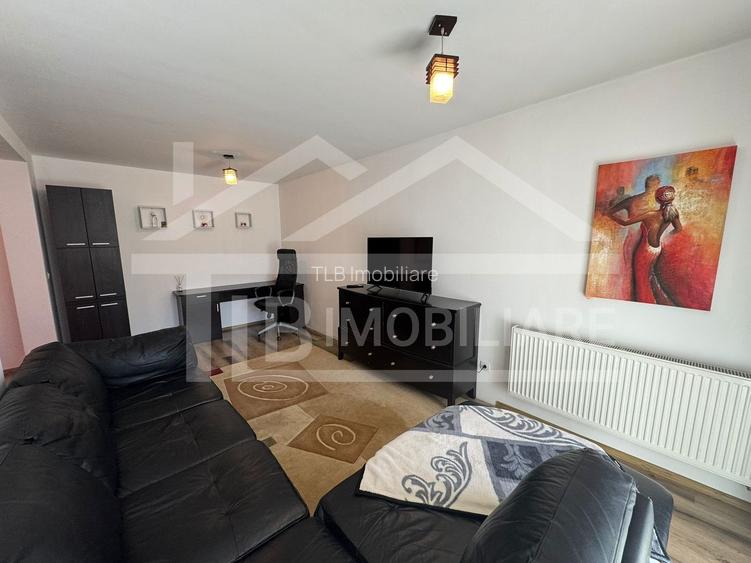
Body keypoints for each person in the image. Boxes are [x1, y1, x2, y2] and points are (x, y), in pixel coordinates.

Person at [607, 186, 682, 305]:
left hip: (645, 250)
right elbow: (678, 229)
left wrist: (609, 215)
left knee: (642, 280)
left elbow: (625, 223)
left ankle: (646, 303)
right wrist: (665, 236)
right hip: (657, 249)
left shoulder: (650, 214)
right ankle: (655, 302)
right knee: (650, 276)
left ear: (657, 199)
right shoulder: (673, 213)